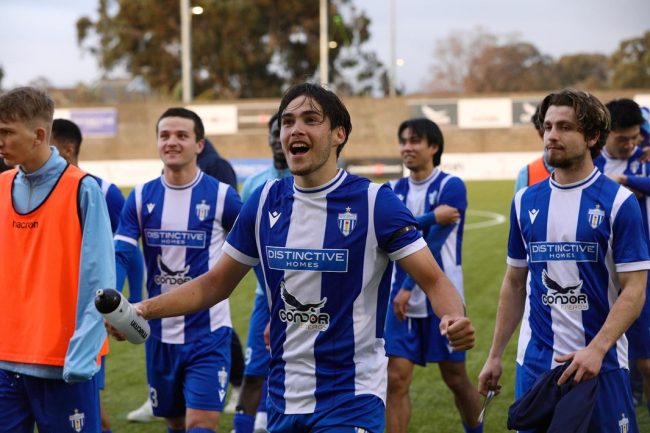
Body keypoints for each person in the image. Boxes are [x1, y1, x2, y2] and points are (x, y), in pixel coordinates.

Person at [133, 82, 475, 433]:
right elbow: (216, 283)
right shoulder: (264, 200)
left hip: (351, 397)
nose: (295, 129)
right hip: (283, 396)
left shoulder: (376, 203)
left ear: (339, 134)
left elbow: (434, 279)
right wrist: (143, 309)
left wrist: (453, 317)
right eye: (288, 121)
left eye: (311, 119)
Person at [478, 89, 650, 433]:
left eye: (565, 127)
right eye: (548, 126)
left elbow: (635, 290)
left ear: (592, 136)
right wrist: (495, 355)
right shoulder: (525, 201)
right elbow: (514, 282)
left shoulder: (619, 202)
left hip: (603, 364)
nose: (552, 135)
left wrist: (597, 349)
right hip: (537, 365)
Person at [112, 107, 243, 433]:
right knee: (176, 423)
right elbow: (122, 254)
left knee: (201, 424)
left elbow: (250, 251)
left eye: (181, 135)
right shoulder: (140, 197)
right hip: (157, 334)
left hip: (208, 334)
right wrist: (114, 305)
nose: (172, 142)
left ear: (199, 144)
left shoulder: (223, 196)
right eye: (165, 135)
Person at [0, 86, 114, 432]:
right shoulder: (2, 185)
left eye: (6, 132)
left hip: (65, 364)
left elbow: (100, 280)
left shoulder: (83, 189)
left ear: (38, 135)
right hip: (6, 364)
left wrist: (82, 353)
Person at [384, 118, 482, 433]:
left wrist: (408, 288)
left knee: (455, 378)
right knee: (395, 378)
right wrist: (430, 216)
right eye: (403, 141)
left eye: (415, 141)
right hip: (399, 298)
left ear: (434, 147)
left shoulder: (451, 186)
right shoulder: (392, 189)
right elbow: (394, 231)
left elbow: (433, 244)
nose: (407, 147)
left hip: (442, 296)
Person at [233, 112, 291, 433]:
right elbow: (247, 248)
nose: (278, 137)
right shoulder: (255, 185)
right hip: (264, 296)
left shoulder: (314, 182)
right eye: (276, 131)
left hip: (308, 298)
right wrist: (271, 300)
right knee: (255, 372)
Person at [593, 98, 650, 418]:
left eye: (634, 137)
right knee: (603, 350)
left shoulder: (643, 160)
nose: (630, 144)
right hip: (599, 271)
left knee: (645, 360)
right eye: (622, 139)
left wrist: (625, 181)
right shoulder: (591, 164)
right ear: (605, 133)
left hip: (639, 269)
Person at [514, 104, 553, 192]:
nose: (555, 134)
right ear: (540, 133)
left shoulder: (590, 173)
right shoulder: (527, 175)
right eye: (548, 128)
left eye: (565, 127)